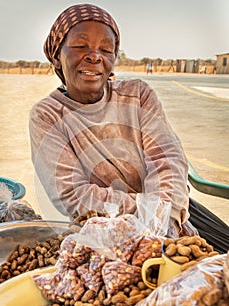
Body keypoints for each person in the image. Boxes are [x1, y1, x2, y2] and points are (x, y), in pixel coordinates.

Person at [29, 3, 228, 245]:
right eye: (80, 46)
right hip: (105, 234)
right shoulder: (47, 115)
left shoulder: (138, 94)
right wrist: (151, 211)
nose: (94, 56)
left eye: (106, 49)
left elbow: (168, 160)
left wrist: (168, 217)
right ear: (57, 57)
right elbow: (72, 196)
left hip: (173, 219)